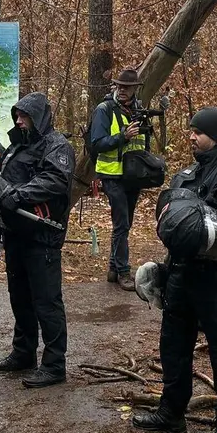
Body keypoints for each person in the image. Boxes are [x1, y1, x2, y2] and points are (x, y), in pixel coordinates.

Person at [132, 108, 217, 433]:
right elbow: (169, 214)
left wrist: (201, 230)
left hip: (215, 279)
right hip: (179, 274)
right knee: (172, 346)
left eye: (198, 132)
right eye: (190, 130)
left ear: (216, 137)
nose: (191, 136)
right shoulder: (187, 174)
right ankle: (172, 413)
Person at [0, 92, 74, 388]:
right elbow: (2, 187)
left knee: (46, 301)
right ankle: (23, 352)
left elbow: (54, 180)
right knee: (20, 298)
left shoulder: (57, 146)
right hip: (15, 235)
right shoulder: (16, 146)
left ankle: (54, 364)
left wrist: (18, 196)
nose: (19, 121)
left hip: (42, 235)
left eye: (24, 116)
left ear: (39, 117)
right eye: (17, 116)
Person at [88, 67, 149, 290]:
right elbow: (96, 144)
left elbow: (144, 144)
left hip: (133, 176)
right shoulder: (104, 110)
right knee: (121, 223)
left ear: (134, 89)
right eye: (119, 86)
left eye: (127, 87)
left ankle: (113, 269)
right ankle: (124, 272)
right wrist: (122, 136)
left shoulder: (139, 110)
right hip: (112, 175)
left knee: (125, 223)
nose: (122, 90)